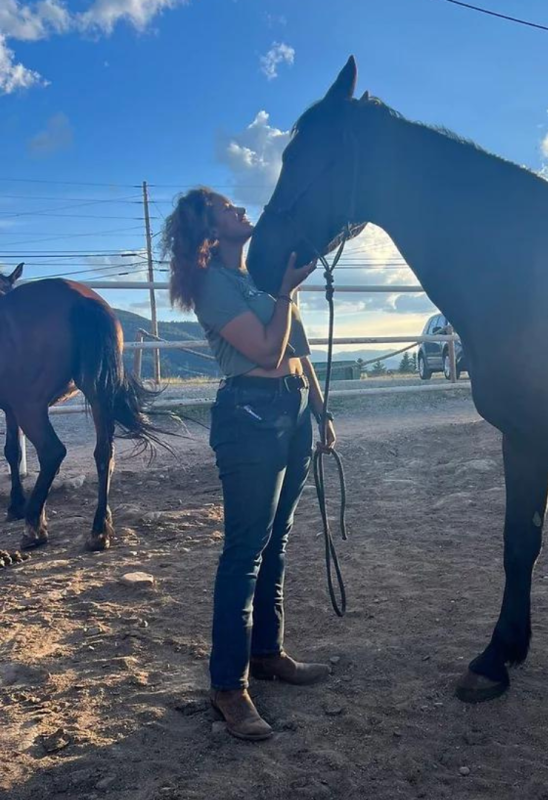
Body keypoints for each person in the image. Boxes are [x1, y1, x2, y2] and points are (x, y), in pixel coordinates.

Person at [163, 187, 336, 741]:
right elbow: (264, 350)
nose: (239, 209)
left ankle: (267, 652)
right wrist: (285, 293)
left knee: (276, 543)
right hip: (250, 414)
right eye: (224, 207)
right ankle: (228, 687)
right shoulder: (212, 283)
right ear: (206, 229)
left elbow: (295, 349)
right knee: (244, 552)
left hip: (290, 409)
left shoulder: (257, 274)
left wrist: (320, 408)